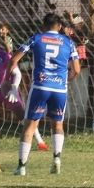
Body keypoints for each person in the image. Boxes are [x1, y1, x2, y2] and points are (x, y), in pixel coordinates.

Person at [7, 13, 79, 176]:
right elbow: (77, 69)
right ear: (60, 27)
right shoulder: (69, 42)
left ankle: (21, 167)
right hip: (60, 89)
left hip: (40, 87)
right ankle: (56, 158)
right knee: (57, 125)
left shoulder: (36, 38)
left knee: (30, 125)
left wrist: (7, 79)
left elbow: (14, 60)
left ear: (43, 26)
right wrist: (67, 80)